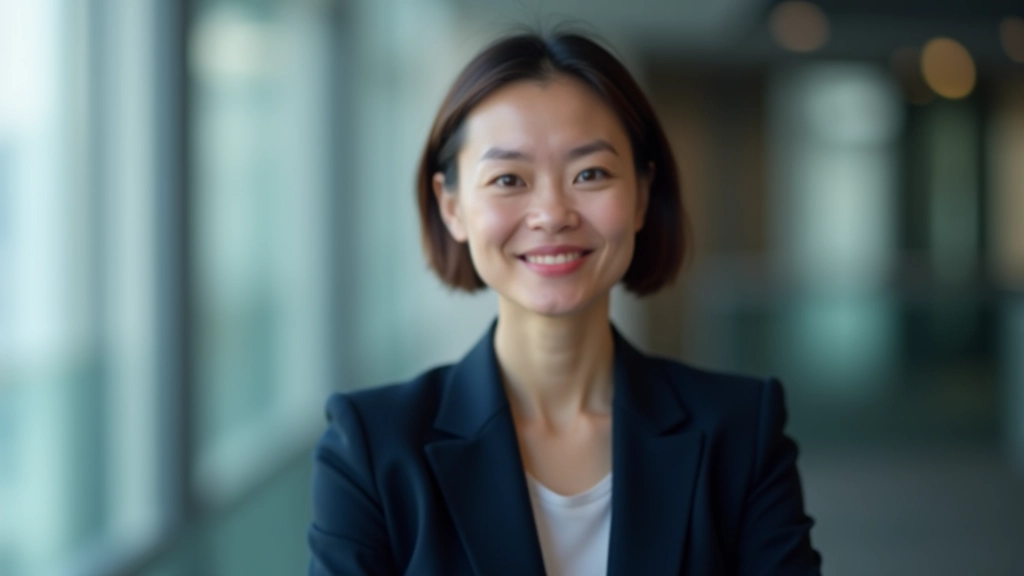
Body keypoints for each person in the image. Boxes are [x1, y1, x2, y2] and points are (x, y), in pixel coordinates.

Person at [307, 31, 822, 576]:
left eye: (590, 174)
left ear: (643, 195)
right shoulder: (371, 445)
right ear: (451, 206)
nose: (552, 213)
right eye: (508, 179)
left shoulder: (740, 431)